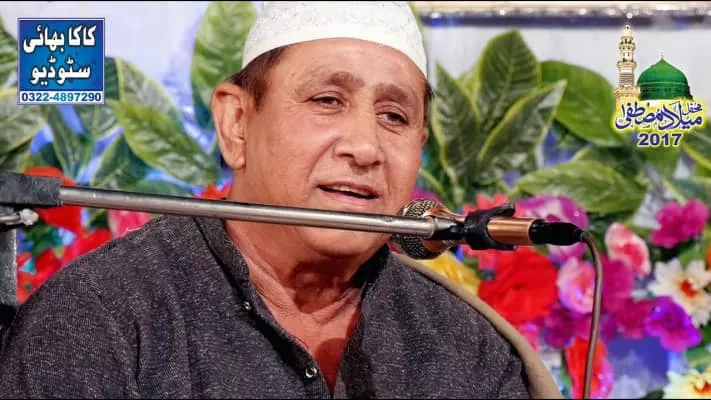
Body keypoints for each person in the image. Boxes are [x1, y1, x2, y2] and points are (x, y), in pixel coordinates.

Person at [0, 2, 563, 398]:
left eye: (394, 116)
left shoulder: (466, 346)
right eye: (327, 100)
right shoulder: (102, 316)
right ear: (237, 123)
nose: (366, 147)